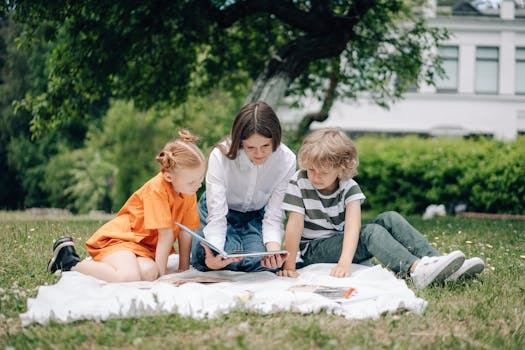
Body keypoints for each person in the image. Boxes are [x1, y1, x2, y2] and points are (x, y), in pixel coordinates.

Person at [278, 128, 485, 289]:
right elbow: (294, 225)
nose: (314, 176)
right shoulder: (300, 182)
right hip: (314, 249)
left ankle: (439, 263)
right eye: (311, 170)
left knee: (390, 217)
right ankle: (416, 270)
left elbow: (352, 227)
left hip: (340, 241)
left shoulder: (350, 188)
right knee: (370, 233)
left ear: (342, 168)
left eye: (322, 172)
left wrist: (344, 260)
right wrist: (291, 265)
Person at [47, 130, 206, 282]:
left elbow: (186, 232)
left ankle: (113, 266)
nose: (199, 185)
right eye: (192, 181)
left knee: (149, 272)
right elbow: (166, 235)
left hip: (143, 248)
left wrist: (183, 268)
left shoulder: (188, 192)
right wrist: (162, 275)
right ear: (169, 176)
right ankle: (70, 262)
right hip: (121, 240)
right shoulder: (157, 189)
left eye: (201, 178)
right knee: (128, 277)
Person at [191, 101, 296, 272]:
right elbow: (216, 215)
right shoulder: (220, 156)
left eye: (265, 146)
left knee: (260, 263)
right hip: (219, 211)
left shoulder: (287, 159)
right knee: (218, 258)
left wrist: (273, 252)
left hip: (255, 216)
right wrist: (215, 256)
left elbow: (274, 214)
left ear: (275, 139)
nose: (259, 154)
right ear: (240, 142)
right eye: (251, 147)